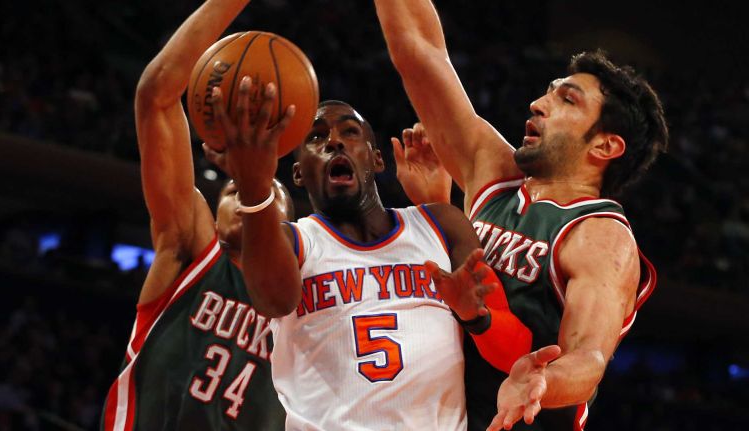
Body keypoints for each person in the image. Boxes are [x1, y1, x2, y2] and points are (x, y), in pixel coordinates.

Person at [374, 1, 668, 430]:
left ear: (605, 146)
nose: (536, 104)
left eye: (566, 99)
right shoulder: (494, 171)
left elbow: (589, 357)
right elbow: (420, 52)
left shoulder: (601, 236)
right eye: (547, 91)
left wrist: (541, 382)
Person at [208, 72, 533, 428]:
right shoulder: (293, 241)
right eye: (316, 137)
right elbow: (273, 302)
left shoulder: (442, 224)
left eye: (349, 131)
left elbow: (515, 352)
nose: (334, 141)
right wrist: (255, 191)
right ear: (299, 173)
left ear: (377, 160)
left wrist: (476, 317)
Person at [101, 1, 300, 430]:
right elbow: (155, 97)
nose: (243, 198)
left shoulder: (306, 310)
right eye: (233, 190)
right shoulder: (189, 247)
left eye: (265, 196)